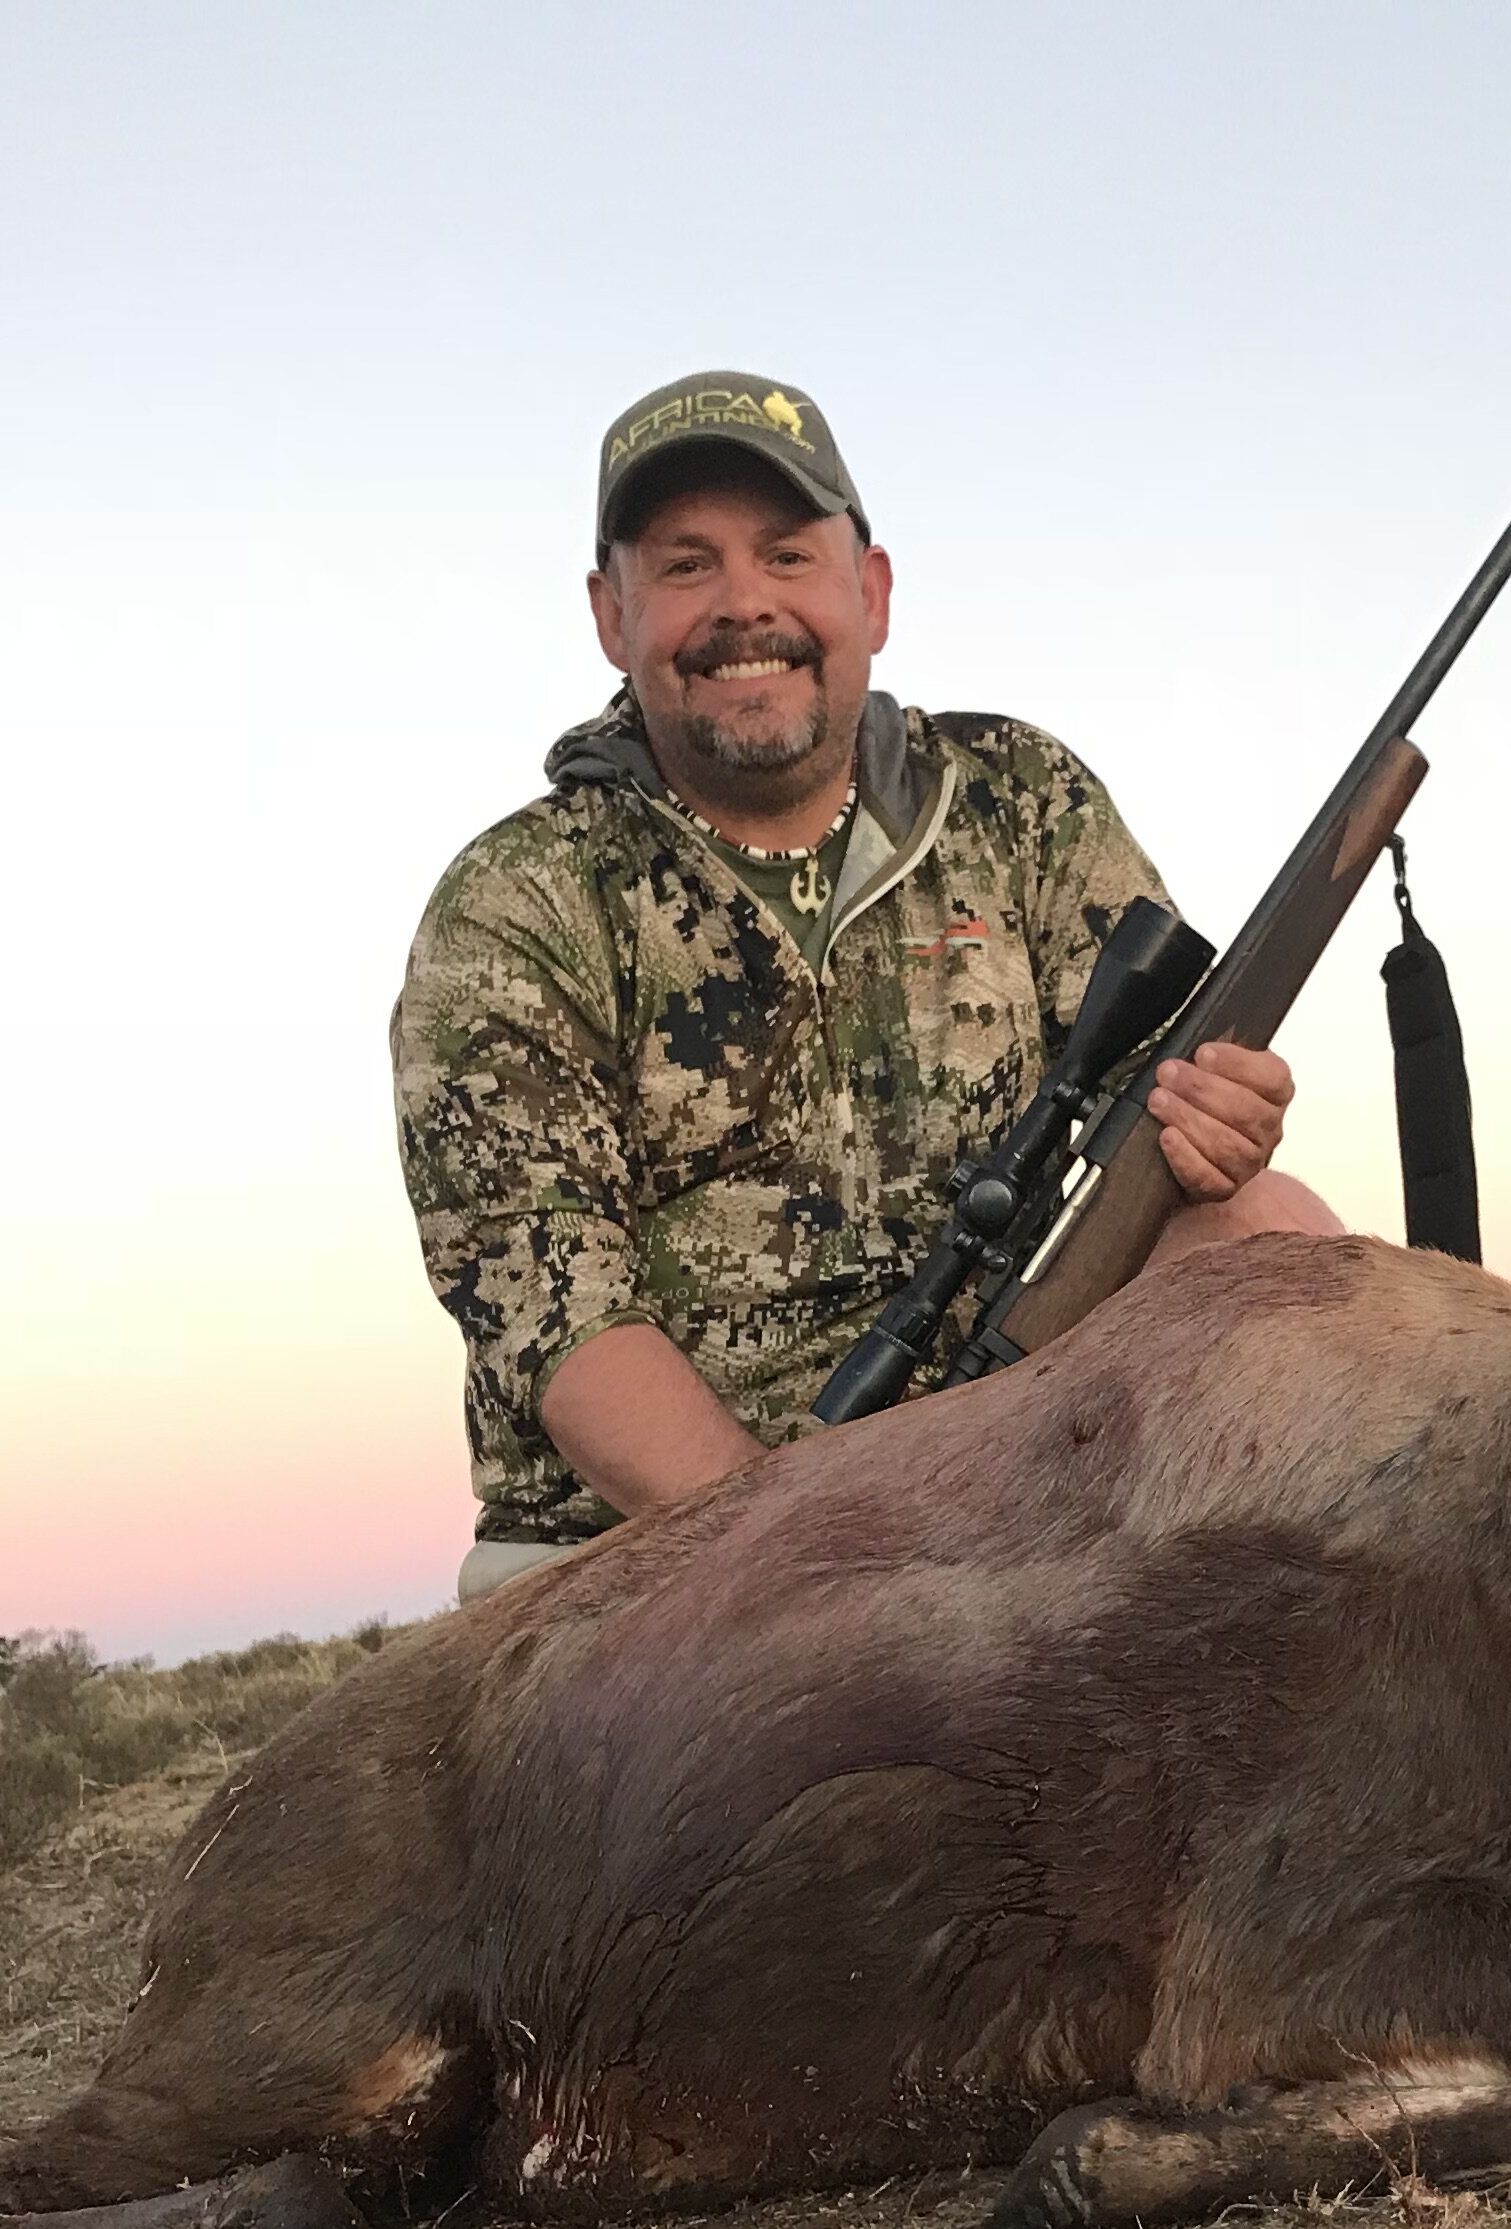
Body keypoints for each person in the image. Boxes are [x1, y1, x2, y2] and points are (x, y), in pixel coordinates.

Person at [391, 370, 1336, 1599]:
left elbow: (1156, 1132)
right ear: (609, 616)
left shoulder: (1021, 797)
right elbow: (561, 1325)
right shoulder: (516, 905)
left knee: (1270, 1230)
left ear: (870, 593)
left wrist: (1222, 1124)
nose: (744, 606)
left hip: (1020, 1452)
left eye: (787, 555)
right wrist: (833, 1570)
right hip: (654, 1553)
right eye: (685, 566)